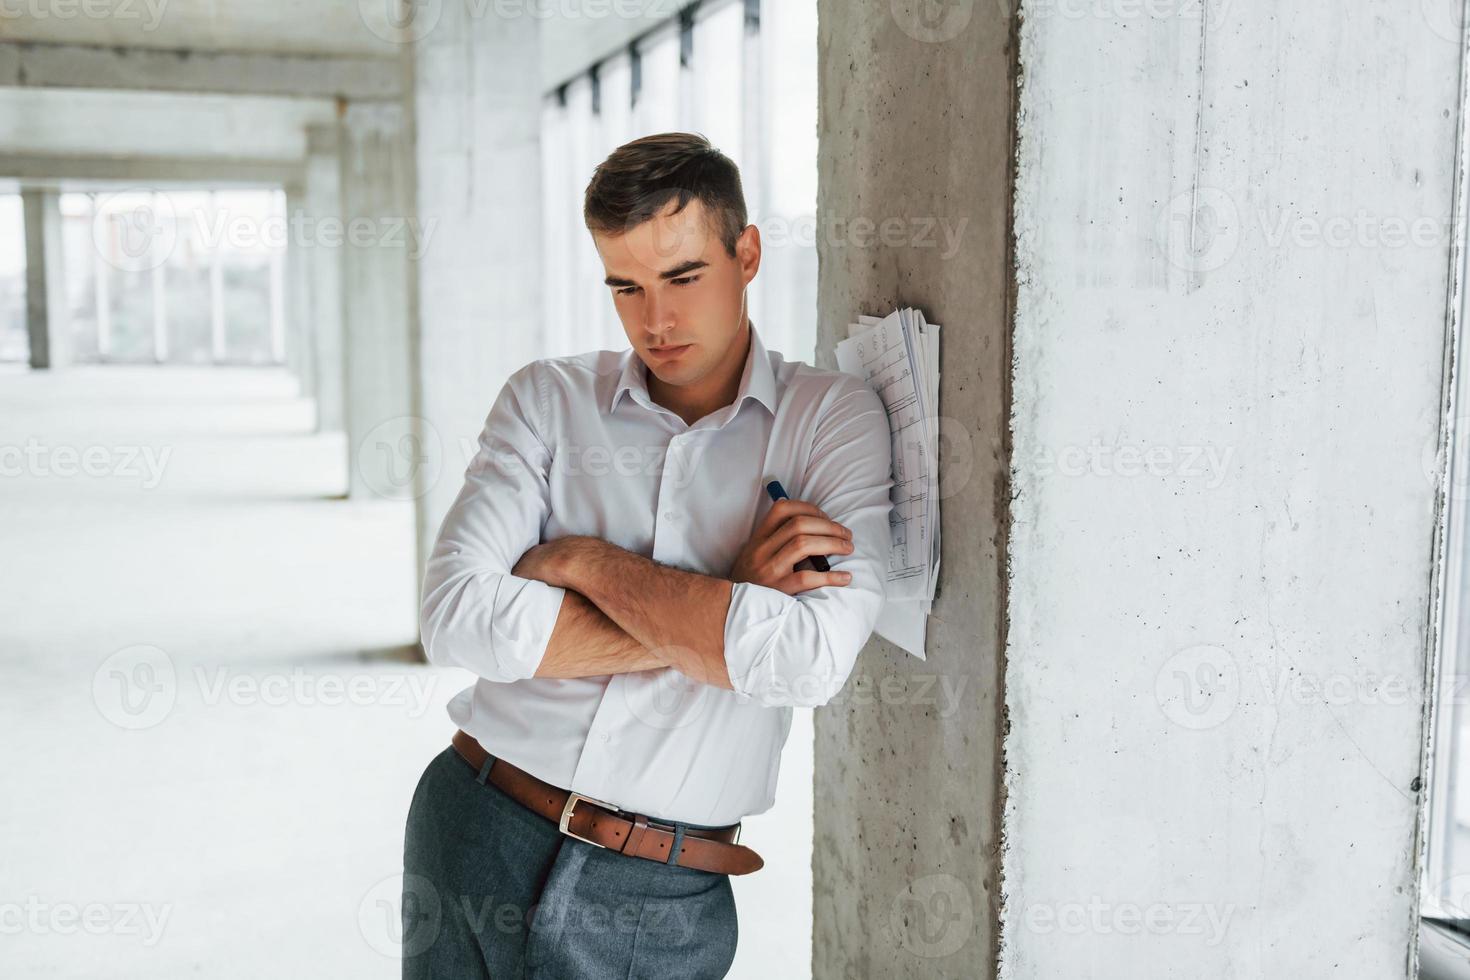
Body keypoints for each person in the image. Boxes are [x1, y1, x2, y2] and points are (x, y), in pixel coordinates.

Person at [401, 131, 893, 978]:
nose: (654, 320)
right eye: (624, 286)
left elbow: (806, 661)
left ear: (747, 254)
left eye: (683, 278)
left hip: (659, 897)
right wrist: (728, 602)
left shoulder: (829, 420)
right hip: (473, 822)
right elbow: (454, 619)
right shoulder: (546, 401)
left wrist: (587, 563)